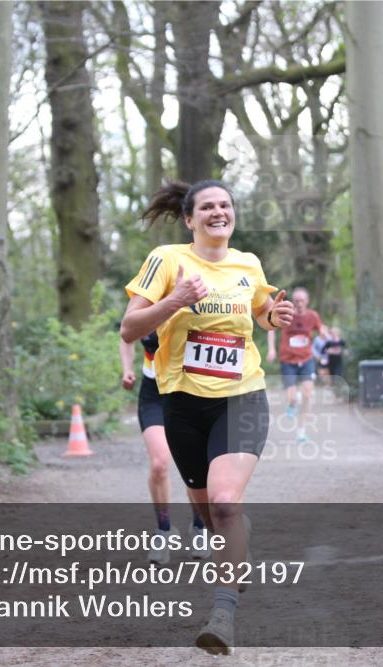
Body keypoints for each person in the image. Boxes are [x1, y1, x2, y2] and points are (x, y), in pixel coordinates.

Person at [120, 179, 295, 655]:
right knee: (209, 511)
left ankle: (222, 615)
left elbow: (261, 312)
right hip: (182, 403)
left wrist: (274, 317)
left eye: (226, 205)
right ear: (189, 218)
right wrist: (176, 299)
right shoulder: (167, 259)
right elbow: (130, 328)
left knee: (222, 503)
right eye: (208, 207)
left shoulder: (248, 263)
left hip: (241, 397)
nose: (219, 212)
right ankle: (237, 536)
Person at [119, 333, 209, 565]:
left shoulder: (194, 297)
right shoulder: (145, 298)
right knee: (159, 464)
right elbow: (127, 333)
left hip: (190, 391)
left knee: (195, 465)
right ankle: (163, 529)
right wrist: (127, 368)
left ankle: (200, 526)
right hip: (154, 393)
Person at [266, 287, 328, 443]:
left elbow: (321, 328)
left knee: (308, 394)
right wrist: (272, 349)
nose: (299, 303)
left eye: (302, 300)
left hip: (306, 359)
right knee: (292, 397)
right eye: (296, 300)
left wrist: (323, 332)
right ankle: (292, 402)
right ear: (293, 301)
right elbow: (271, 328)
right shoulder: (286, 313)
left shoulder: (312, 316)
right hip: (288, 360)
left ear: (307, 301)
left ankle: (301, 431)